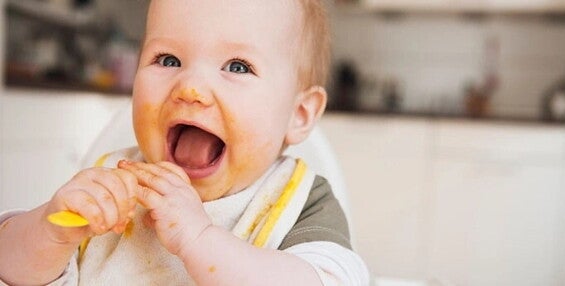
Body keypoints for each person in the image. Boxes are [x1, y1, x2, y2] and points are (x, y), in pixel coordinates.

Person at [0, 0, 369, 285]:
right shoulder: (109, 184)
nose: (190, 88)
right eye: (168, 59)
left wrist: (199, 239)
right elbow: (9, 267)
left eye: (238, 66)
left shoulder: (298, 201)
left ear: (299, 114)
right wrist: (50, 233)